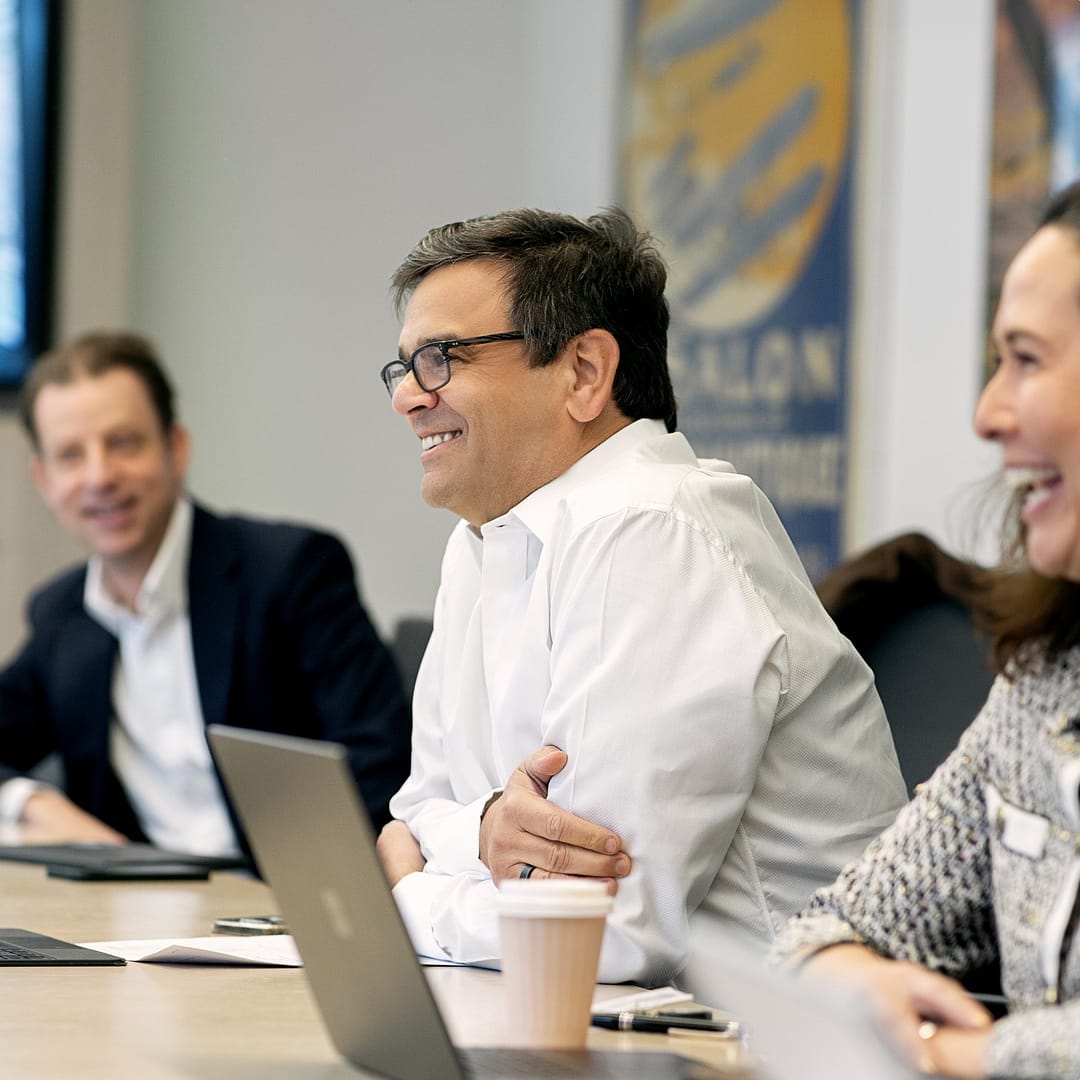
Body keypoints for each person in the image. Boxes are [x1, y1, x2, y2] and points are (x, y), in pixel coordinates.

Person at [374, 207, 907, 985]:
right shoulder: (483, 539)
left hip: (772, 1044)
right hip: (609, 1021)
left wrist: (405, 899)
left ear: (585, 372)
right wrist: (488, 827)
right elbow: (420, 810)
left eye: (442, 358)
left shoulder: (652, 531)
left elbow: (603, 934)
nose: (408, 399)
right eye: (404, 367)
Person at [770, 179, 1080, 1080]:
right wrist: (843, 976)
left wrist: (976, 1054)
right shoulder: (1047, 682)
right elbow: (828, 926)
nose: (987, 413)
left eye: (1024, 359)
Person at [0, 331, 411, 855]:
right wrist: (33, 803)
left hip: (277, 909)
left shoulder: (291, 572)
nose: (99, 476)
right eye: (71, 456)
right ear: (44, 479)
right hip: (127, 917)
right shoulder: (63, 615)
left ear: (177, 447)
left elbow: (384, 766)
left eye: (123, 442)